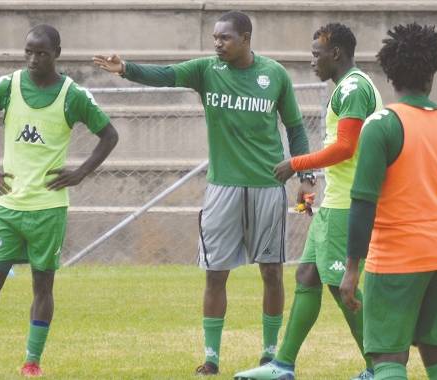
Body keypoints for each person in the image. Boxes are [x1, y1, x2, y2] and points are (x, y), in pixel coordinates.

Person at [93, 10, 314, 376]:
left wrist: (306, 176)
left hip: (267, 187)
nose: (217, 44)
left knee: (272, 272)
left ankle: (270, 354)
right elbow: (165, 76)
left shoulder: (274, 75)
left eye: (225, 38)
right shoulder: (207, 70)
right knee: (215, 272)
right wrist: (126, 68)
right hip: (222, 188)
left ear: (245, 38)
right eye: (214, 37)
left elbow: (295, 129)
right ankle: (211, 358)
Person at [0, 24, 118, 377]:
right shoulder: (7, 86)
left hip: (48, 209)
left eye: (42, 53)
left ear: (57, 53)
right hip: (8, 206)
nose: (33, 59)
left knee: (42, 284)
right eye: (28, 52)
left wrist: (80, 174)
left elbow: (109, 135)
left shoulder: (72, 95)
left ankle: (32, 362)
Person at [234, 22, 381, 380]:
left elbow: (346, 148)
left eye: (317, 54)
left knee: (339, 285)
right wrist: (311, 182)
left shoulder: (354, 88)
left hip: (347, 204)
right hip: (335, 200)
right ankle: (282, 365)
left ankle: (380, 368)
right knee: (308, 274)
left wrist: (296, 164)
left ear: (336, 54)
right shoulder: (347, 87)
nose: (312, 61)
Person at [339, 23, 437, 380]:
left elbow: (363, 203)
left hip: (396, 258)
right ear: (432, 73)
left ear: (390, 73)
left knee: (388, 358)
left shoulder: (381, 124)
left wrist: (352, 269)